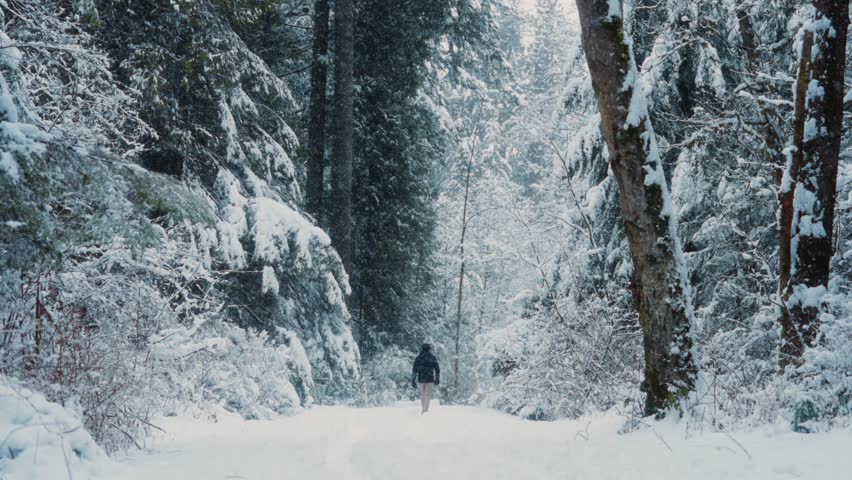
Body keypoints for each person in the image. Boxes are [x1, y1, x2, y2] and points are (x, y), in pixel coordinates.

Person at [411, 343, 440, 414]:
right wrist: (437, 378)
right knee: (427, 395)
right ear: (429, 349)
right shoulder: (432, 358)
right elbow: (437, 369)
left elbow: (414, 370)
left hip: (420, 379)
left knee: (422, 395)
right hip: (429, 379)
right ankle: (425, 410)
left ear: (422, 349)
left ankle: (423, 409)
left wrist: (413, 380)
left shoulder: (418, 358)